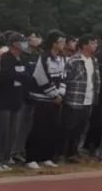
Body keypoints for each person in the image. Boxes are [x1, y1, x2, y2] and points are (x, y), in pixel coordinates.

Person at [25, 30, 67, 170]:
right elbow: (40, 77)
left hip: (56, 100)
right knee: (39, 128)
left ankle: (46, 157)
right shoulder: (44, 57)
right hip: (42, 99)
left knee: (52, 129)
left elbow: (63, 77)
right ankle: (31, 158)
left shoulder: (62, 58)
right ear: (54, 43)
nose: (64, 44)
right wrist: (54, 94)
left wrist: (61, 93)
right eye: (61, 41)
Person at [0, 33, 28, 172]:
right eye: (22, 41)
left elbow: (26, 76)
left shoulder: (21, 59)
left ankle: (5, 158)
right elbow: (6, 76)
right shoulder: (5, 57)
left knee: (12, 132)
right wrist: (19, 76)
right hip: (3, 100)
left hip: (17, 100)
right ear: (15, 44)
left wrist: (19, 76)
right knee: (1, 132)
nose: (25, 44)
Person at [60, 35, 99, 163]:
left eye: (96, 43)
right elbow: (66, 79)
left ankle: (73, 152)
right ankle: (62, 153)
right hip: (74, 99)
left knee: (81, 128)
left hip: (88, 99)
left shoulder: (94, 60)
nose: (95, 45)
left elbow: (95, 80)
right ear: (84, 45)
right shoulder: (74, 60)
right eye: (92, 43)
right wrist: (64, 96)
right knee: (69, 128)